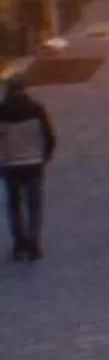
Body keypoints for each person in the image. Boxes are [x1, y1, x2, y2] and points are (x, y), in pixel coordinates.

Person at [0, 72, 55, 263]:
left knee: (14, 205)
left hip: (10, 163)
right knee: (34, 205)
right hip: (33, 162)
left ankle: (18, 243)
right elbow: (49, 136)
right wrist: (45, 156)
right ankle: (34, 243)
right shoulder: (36, 109)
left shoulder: (2, 110)